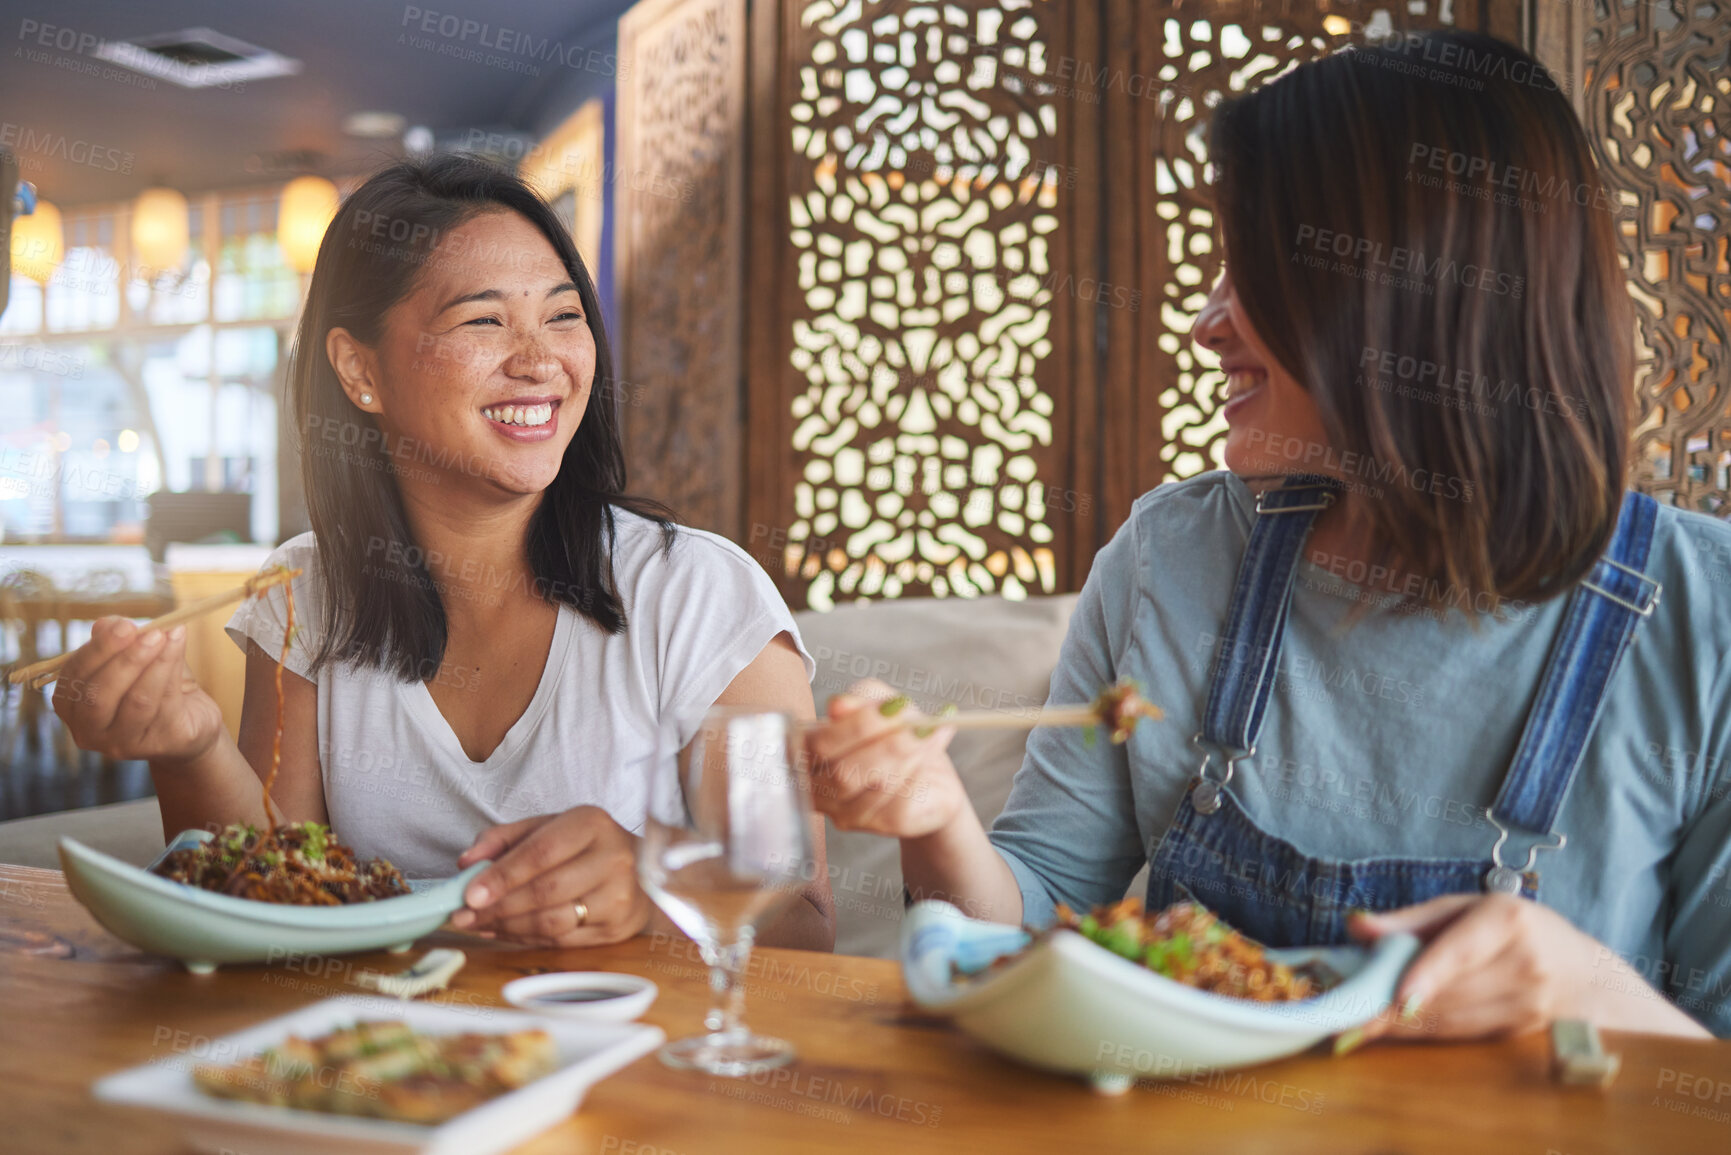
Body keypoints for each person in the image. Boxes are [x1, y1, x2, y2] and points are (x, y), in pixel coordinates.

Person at [806, 30, 1730, 1039]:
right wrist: (935, 818)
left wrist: (1587, 990)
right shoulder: (1173, 555)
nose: (1206, 323)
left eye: (1252, 271)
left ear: (1406, 296)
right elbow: (1035, 929)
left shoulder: (1703, 616)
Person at [52, 156, 834, 951]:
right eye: (484, 321)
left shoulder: (702, 593)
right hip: (394, 1055)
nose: (540, 361)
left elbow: (803, 921)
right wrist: (189, 748)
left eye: (563, 317)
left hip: (636, 1058)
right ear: (360, 370)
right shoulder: (304, 592)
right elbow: (264, 898)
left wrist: (649, 885)